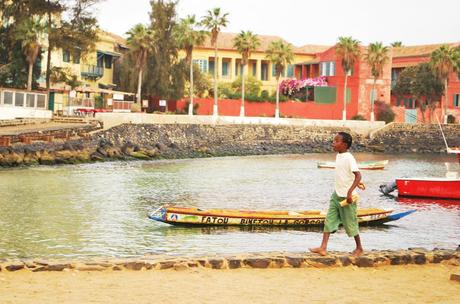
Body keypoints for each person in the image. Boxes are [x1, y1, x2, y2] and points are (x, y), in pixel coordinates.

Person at [309, 132, 364, 257]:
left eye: (336, 141)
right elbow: (346, 174)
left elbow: (358, 174)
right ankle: (323, 247)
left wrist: (350, 192)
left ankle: (359, 248)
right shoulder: (339, 156)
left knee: (350, 223)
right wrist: (358, 183)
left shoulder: (349, 157)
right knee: (329, 220)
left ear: (344, 144)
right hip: (336, 194)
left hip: (348, 198)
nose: (333, 143)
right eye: (334, 140)